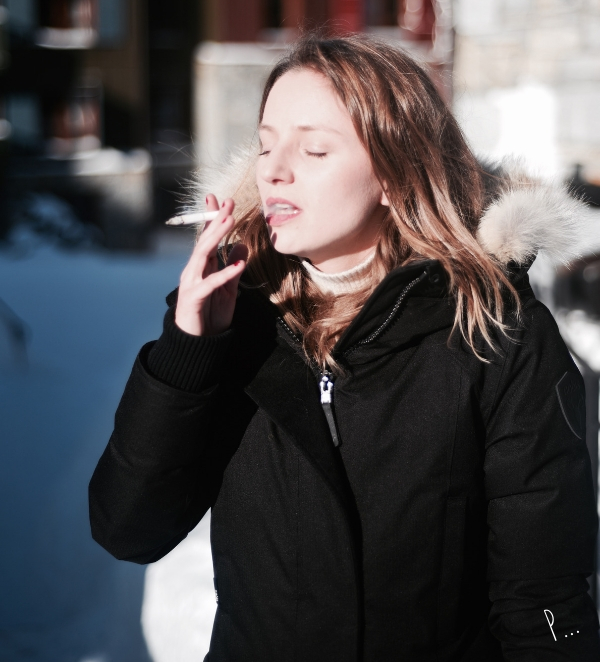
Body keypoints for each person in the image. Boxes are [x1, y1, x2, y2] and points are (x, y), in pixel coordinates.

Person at [89, 34, 600, 661]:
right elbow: (128, 528)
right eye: (266, 144)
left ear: (394, 173)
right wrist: (187, 351)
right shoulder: (238, 320)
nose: (273, 170)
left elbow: (544, 600)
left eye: (314, 149)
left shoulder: (496, 331)